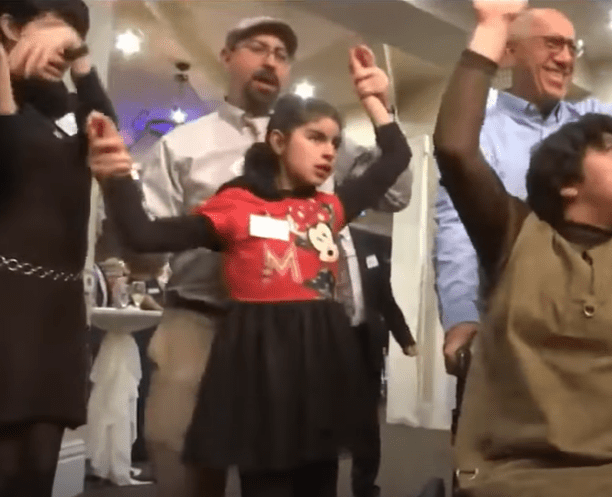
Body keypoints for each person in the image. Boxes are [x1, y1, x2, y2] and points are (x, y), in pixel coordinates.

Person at [89, 44, 412, 497]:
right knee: (268, 481)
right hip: (262, 358)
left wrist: (375, 99)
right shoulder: (235, 207)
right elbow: (144, 235)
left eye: (335, 142)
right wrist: (116, 176)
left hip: (322, 356)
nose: (328, 152)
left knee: (320, 480)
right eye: (315, 138)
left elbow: (395, 160)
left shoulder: (329, 208)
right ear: (278, 142)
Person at [432, 0, 612, 494]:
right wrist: (491, 26)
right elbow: (456, 152)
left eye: (573, 46)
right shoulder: (517, 239)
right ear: (567, 182)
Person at [435, 2, 612, 370]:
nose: (566, 58)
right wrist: (461, 318)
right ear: (509, 52)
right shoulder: (483, 136)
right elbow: (456, 230)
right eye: (552, 44)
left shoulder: (595, 122)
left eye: (572, 47)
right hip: (512, 332)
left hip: (599, 324)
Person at [0, 0, 115, 495]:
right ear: (10, 27)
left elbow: (107, 129)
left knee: (40, 467)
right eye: (56, 31)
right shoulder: (12, 103)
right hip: (8, 303)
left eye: (78, 40)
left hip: (60, 307)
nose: (67, 47)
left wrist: (81, 56)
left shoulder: (68, 110)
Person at [344, 223, 417, 497]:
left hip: (364, 344)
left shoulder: (367, 242)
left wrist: (405, 338)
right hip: (325, 342)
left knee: (367, 427)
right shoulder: (312, 237)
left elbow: (385, 299)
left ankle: (365, 488)